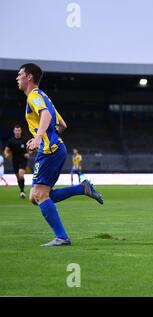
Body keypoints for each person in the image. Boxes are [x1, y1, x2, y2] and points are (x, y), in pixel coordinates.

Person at [17, 63, 104, 247]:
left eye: (20, 75)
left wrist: (40, 138)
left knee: (40, 195)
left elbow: (47, 116)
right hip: (53, 149)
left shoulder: (34, 96)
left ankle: (62, 237)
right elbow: (62, 124)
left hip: (50, 151)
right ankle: (82, 188)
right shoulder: (44, 96)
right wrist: (46, 138)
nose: (17, 78)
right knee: (35, 197)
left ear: (29, 77)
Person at [4, 125, 30, 198]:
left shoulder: (24, 140)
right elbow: (6, 150)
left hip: (23, 160)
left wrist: (28, 153)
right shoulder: (11, 141)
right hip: (15, 161)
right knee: (18, 177)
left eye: (19, 130)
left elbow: (30, 149)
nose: (17, 132)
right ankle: (22, 190)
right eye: (16, 130)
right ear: (14, 131)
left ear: (21, 131)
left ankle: (22, 192)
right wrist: (6, 154)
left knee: (21, 174)